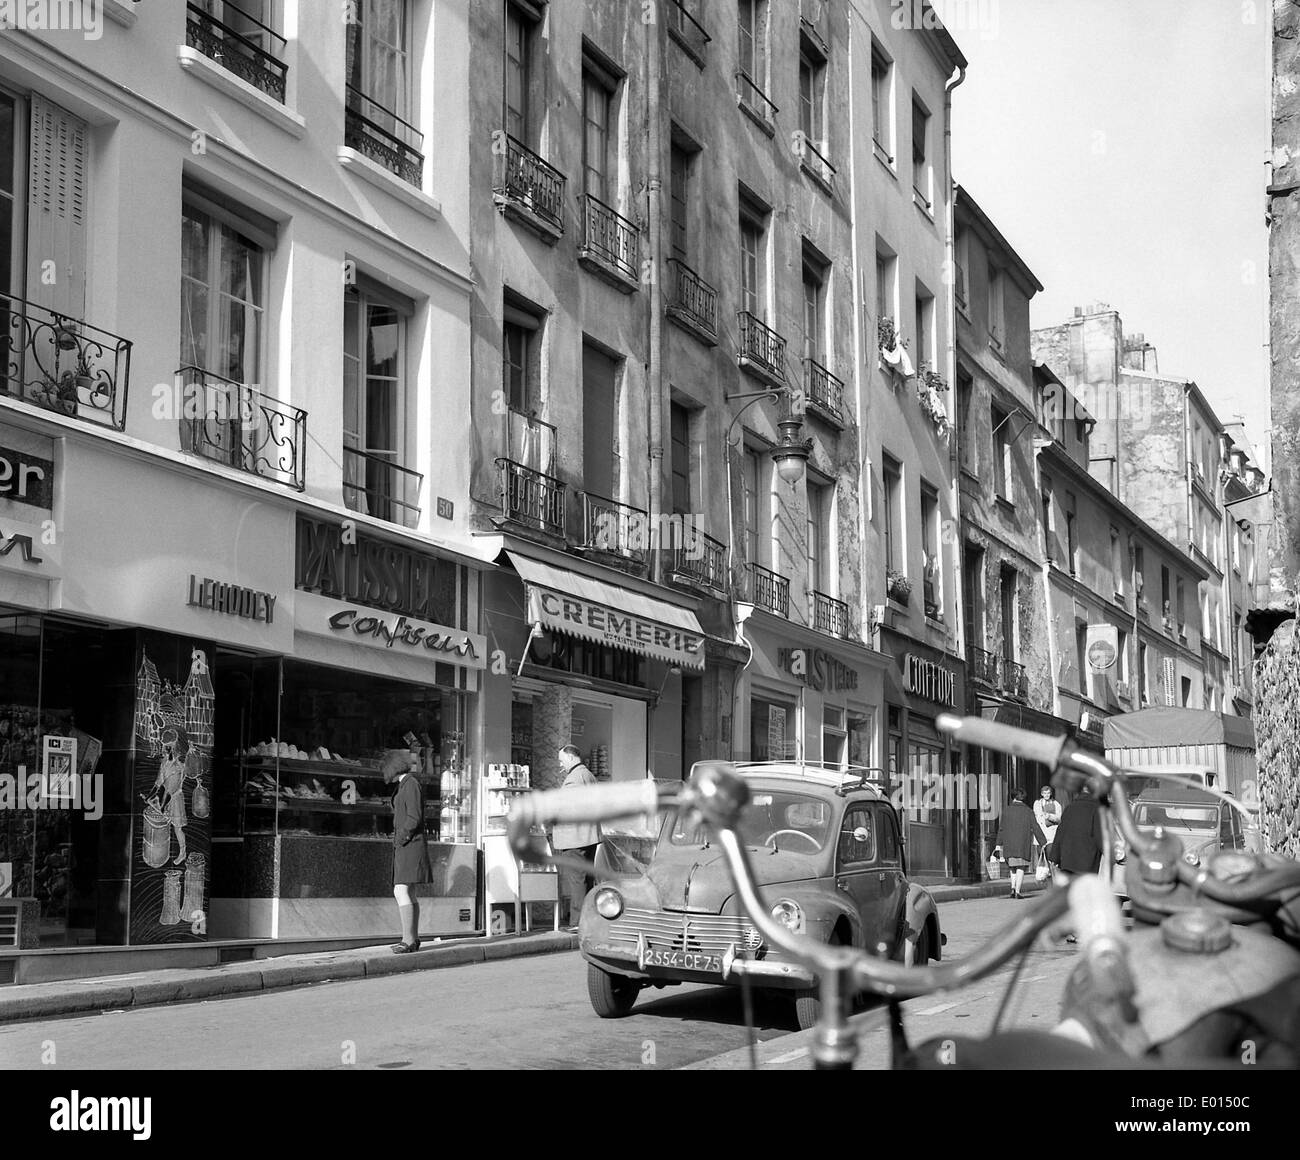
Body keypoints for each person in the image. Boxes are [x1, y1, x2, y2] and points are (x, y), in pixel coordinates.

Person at [385, 749, 431, 954]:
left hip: (409, 844)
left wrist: (401, 837)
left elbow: (414, 816)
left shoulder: (410, 784)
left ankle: (408, 940)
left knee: (401, 890)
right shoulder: (407, 784)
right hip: (409, 843)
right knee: (408, 891)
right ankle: (412, 939)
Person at [1052, 784, 1109, 942]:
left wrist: (1055, 856)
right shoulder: (1096, 809)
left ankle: (1072, 930)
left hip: (1068, 859)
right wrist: (1110, 853)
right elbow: (1100, 835)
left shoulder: (1070, 807)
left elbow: (1060, 831)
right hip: (1086, 860)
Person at [552, 745, 599, 929]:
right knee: (586, 879)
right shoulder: (588, 776)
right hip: (588, 836)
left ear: (571, 758)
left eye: (561, 759)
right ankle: (588, 921)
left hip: (575, 837)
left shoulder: (574, 779)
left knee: (577, 880)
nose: (560, 763)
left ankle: (578, 923)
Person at [993, 788, 1035, 899]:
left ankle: (1012, 887)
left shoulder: (1006, 810)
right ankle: (1017, 891)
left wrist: (998, 845)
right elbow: (1036, 828)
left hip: (1009, 844)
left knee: (1012, 867)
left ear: (1013, 797)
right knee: (1021, 867)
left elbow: (1001, 829)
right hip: (1022, 844)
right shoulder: (1028, 811)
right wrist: (1044, 843)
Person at [1033, 783, 1062, 878]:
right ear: (1041, 794)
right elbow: (1035, 817)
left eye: (1048, 793)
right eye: (1045, 793)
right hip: (1040, 834)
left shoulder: (1056, 804)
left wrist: (1049, 816)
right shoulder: (1037, 803)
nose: (1046, 795)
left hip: (1051, 834)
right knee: (1040, 855)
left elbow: (1059, 818)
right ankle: (1043, 873)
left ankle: (1051, 873)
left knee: (1050, 855)